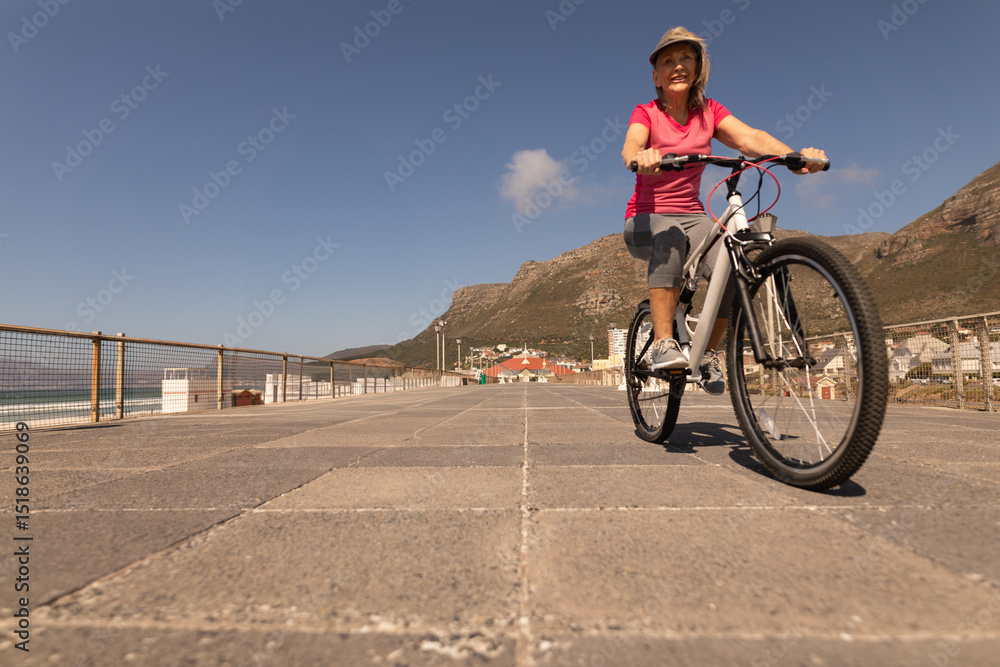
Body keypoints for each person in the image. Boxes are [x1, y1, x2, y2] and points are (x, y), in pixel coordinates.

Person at [621, 26, 827, 394]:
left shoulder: (709, 112)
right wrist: (642, 156)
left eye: (686, 57)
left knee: (734, 264)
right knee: (669, 237)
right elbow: (631, 144)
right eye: (668, 61)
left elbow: (750, 139)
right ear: (656, 75)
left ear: (698, 67)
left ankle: (708, 353)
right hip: (644, 219)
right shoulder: (647, 113)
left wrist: (793, 156)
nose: (677, 66)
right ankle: (665, 344)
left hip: (692, 216)